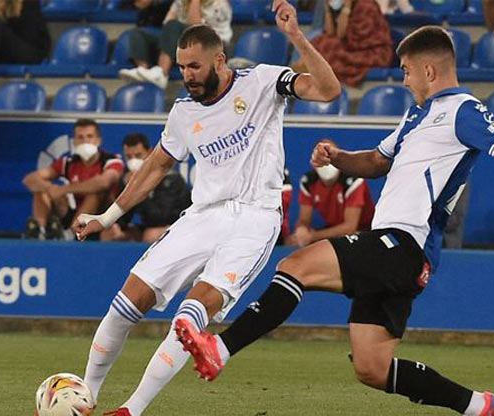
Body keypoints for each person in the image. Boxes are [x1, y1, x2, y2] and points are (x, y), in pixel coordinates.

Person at [174, 26, 494, 416]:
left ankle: (222, 348)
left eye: (408, 70)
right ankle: (479, 406)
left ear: (429, 71)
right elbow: (376, 161)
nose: (403, 78)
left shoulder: (462, 111)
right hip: (394, 253)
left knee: (296, 266)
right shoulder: (417, 115)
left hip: (405, 245)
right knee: (371, 369)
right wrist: (339, 157)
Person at [73, 2, 341, 414]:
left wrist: (296, 37)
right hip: (203, 216)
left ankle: (132, 409)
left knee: (190, 316)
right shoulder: (183, 111)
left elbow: (328, 90)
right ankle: (83, 399)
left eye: (195, 66)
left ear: (220, 59)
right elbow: (154, 168)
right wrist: (106, 217)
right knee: (126, 301)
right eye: (181, 67)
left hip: (255, 216)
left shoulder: (263, 82)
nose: (187, 76)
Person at [22, 119, 123, 241]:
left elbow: (103, 182)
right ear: (74, 142)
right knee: (41, 190)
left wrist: (63, 189)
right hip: (74, 213)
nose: (85, 141)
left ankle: (73, 234)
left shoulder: (111, 161)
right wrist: (51, 188)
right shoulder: (69, 162)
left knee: (94, 193)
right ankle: (41, 232)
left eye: (89, 136)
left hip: (103, 215)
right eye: (80, 137)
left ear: (98, 140)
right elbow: (30, 179)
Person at [119, 0, 233, 89]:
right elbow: (167, 23)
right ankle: (142, 71)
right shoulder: (180, 2)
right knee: (137, 34)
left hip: (211, 46)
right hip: (183, 44)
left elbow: (196, 28)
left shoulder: (219, 4)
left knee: (175, 25)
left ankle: (162, 73)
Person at [100, 133, 192, 243]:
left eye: (138, 156)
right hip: (148, 226)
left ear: (149, 153)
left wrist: (141, 188)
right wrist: (117, 227)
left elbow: (159, 218)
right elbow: (124, 218)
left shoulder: (170, 179)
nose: (133, 161)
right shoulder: (127, 177)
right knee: (107, 234)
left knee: (150, 235)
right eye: (129, 157)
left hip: (179, 225)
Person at [287, 139, 375, 247]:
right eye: (322, 156)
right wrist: (302, 230)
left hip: (364, 232)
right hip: (332, 232)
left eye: (329, 156)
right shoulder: (309, 182)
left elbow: (350, 227)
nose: (327, 163)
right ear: (314, 162)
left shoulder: (353, 180)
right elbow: (304, 219)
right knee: (290, 241)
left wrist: (313, 236)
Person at [297, 0, 392, 87]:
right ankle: (301, 74)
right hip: (348, 45)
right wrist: (327, 9)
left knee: (329, 46)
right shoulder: (337, 6)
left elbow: (342, 35)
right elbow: (330, 32)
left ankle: (308, 74)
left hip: (370, 50)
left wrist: (347, 8)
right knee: (317, 41)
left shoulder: (366, 5)